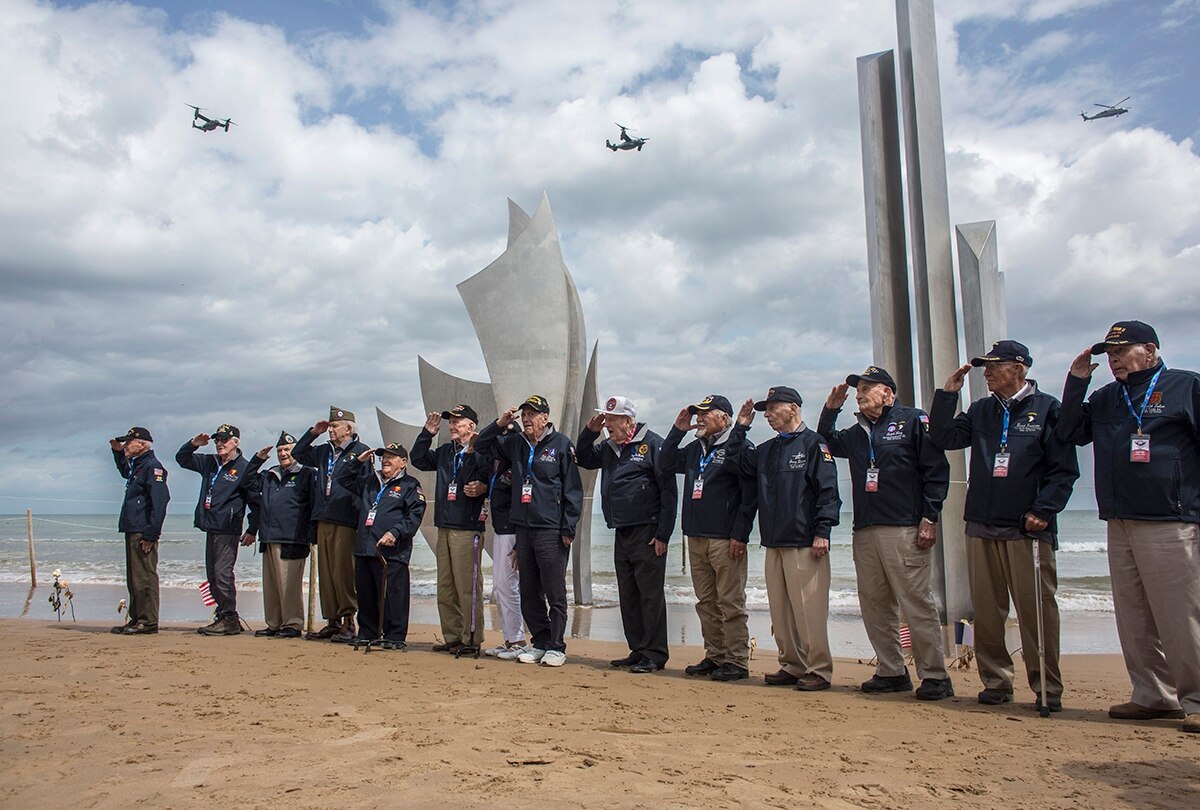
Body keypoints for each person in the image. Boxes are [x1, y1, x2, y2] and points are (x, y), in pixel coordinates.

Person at [1057, 321, 1200, 733]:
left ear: (1150, 350)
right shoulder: (1106, 397)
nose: (1114, 359)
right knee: (1134, 615)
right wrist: (1076, 383)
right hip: (1120, 519)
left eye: (1122, 350)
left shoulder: (1184, 386)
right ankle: (1153, 696)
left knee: (1181, 615)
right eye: (1110, 353)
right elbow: (1069, 432)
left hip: (1171, 519)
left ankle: (1196, 698)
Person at [927, 340, 1079, 712]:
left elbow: (1063, 471)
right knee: (987, 613)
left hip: (1027, 528)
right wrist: (947, 397)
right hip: (981, 524)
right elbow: (944, 438)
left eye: (995, 365)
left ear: (1020, 368)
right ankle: (996, 682)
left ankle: (1046, 687)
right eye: (986, 366)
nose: (988, 372)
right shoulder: (982, 410)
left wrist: (1044, 510)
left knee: (1036, 612)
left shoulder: (1048, 409)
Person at [818, 366, 954, 700]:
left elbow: (936, 470)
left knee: (916, 602)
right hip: (866, 529)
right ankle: (892, 671)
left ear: (888, 393)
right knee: (875, 604)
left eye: (867, 388)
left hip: (904, 527)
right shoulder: (856, 432)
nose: (860, 394)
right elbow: (827, 443)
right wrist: (830, 410)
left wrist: (930, 517)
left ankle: (935, 675)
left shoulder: (913, 420)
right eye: (858, 390)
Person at [727, 387, 841, 692]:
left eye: (772, 408)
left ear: (792, 407)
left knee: (808, 611)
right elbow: (733, 463)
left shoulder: (814, 444)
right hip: (774, 541)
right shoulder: (766, 449)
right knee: (780, 612)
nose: (767, 414)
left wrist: (823, 531)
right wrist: (740, 427)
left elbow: (828, 491)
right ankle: (792, 664)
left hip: (805, 542)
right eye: (765, 410)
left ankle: (819, 669)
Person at [474, 395, 584, 668]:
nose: (526, 419)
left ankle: (556, 646)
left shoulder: (561, 445)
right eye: (524, 414)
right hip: (523, 529)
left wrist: (568, 527)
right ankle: (541, 642)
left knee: (554, 591)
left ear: (545, 417)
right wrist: (500, 423)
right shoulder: (517, 444)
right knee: (529, 591)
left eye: (532, 414)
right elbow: (481, 444)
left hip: (550, 529)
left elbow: (573, 489)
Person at [658, 394, 755, 682]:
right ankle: (715, 655)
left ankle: (736, 660)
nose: (699, 419)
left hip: (725, 538)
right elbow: (665, 463)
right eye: (697, 414)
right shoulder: (694, 448)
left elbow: (749, 496)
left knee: (730, 602)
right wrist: (677, 430)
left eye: (705, 413)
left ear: (724, 418)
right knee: (706, 602)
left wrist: (740, 534)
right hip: (696, 535)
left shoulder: (739, 446)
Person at [578, 396, 678, 674]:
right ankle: (638, 649)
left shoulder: (653, 444)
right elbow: (584, 459)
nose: (607, 424)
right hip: (621, 529)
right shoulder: (609, 447)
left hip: (648, 531)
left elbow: (669, 492)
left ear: (628, 421)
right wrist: (590, 432)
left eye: (612, 419)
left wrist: (663, 534)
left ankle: (655, 654)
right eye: (606, 419)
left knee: (650, 595)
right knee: (629, 594)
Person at [411, 404, 489, 655]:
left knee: (467, 587)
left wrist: (484, 487)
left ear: (471, 426)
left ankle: (471, 639)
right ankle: (453, 636)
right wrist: (427, 433)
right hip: (444, 525)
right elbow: (418, 459)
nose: (452, 426)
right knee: (446, 587)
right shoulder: (446, 451)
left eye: (457, 421)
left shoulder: (482, 450)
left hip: (467, 527)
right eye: (450, 422)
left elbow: (492, 477)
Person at [336, 442, 426, 650]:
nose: (385, 460)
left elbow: (415, 515)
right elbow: (342, 478)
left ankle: (395, 636)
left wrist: (395, 532)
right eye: (383, 457)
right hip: (366, 547)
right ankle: (368, 633)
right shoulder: (370, 481)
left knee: (393, 596)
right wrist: (357, 462)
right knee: (366, 594)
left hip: (391, 551)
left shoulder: (410, 485)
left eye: (391, 457)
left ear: (403, 462)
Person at [291, 407, 370, 643]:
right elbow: (298, 453)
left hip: (346, 517)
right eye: (330, 427)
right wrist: (313, 433)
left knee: (343, 571)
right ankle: (332, 620)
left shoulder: (361, 451)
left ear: (348, 429)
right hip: (323, 517)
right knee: (326, 573)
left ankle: (349, 620)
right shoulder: (324, 451)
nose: (331, 430)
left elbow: (366, 487)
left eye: (335, 426)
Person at [177, 423, 252, 636]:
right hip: (210, 526)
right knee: (213, 575)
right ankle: (223, 615)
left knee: (222, 573)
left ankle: (230, 617)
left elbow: (254, 500)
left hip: (228, 528)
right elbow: (182, 459)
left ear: (235, 442)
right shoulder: (210, 462)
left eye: (224, 440)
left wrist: (253, 528)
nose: (220, 444)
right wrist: (193, 444)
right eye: (217, 440)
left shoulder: (244, 467)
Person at [241, 432, 318, 639]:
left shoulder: (307, 473)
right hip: (269, 537)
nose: (283, 454)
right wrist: (258, 460)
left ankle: (292, 624)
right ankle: (274, 623)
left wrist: (311, 534)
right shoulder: (270, 474)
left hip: (292, 538)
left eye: (287, 450)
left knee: (288, 585)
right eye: (280, 451)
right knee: (272, 585)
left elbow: (314, 504)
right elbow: (246, 482)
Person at [109, 427, 170, 635]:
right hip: (132, 526)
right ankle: (136, 618)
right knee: (134, 578)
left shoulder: (153, 466)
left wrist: (151, 534)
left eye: (129, 442)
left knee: (145, 576)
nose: (126, 445)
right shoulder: (138, 465)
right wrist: (118, 452)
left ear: (142, 444)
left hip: (143, 530)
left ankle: (148, 621)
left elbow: (160, 502)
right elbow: (125, 472)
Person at [472, 450, 527, 658]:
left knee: (507, 584)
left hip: (513, 530)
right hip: (499, 527)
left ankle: (519, 641)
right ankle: (510, 638)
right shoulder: (492, 462)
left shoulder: (516, 460)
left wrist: (520, 541)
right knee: (499, 586)